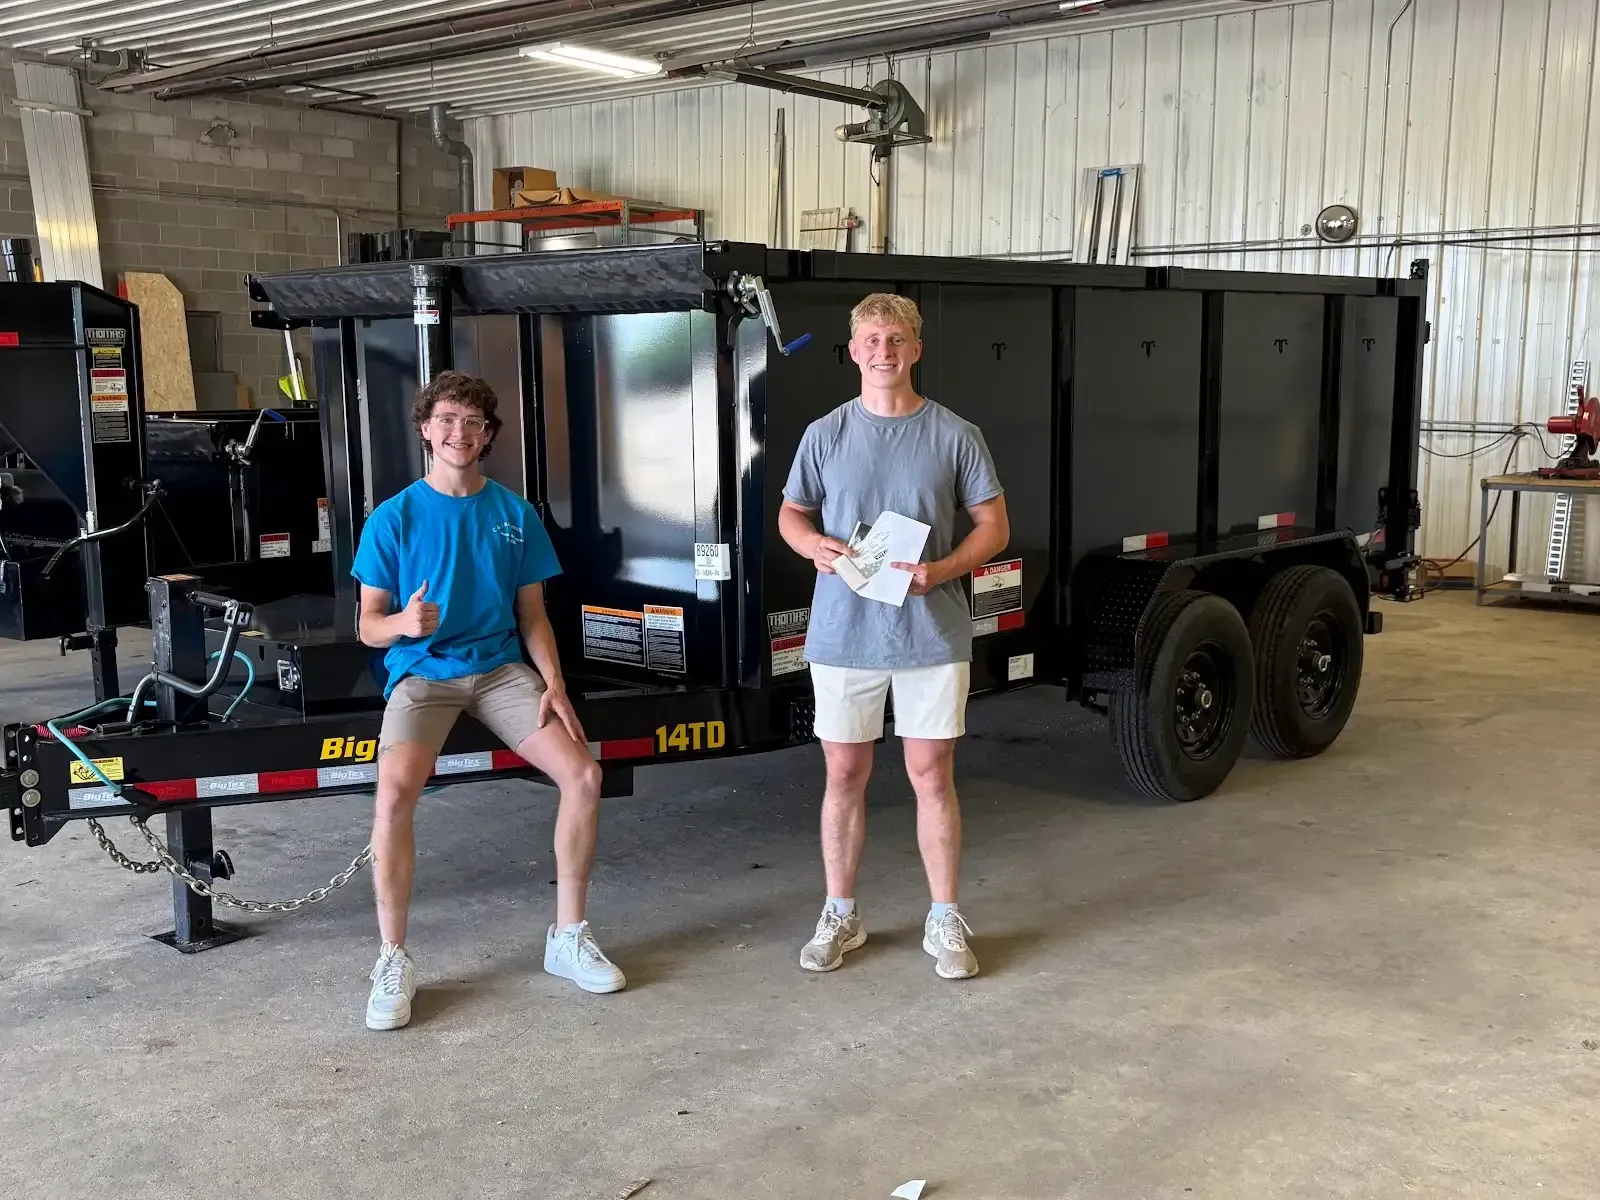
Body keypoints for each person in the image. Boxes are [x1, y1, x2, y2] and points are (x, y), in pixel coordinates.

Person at [352, 370, 625, 1032]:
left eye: (473, 423)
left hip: (500, 671)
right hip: (423, 672)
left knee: (584, 775)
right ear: (425, 429)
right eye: (447, 420)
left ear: (487, 436)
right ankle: (391, 958)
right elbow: (367, 624)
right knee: (392, 795)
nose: (459, 433)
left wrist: (553, 681)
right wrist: (403, 628)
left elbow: (532, 614)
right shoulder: (394, 517)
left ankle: (568, 937)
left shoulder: (513, 513)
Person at [777, 293, 1010, 980]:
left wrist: (938, 570)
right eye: (872, 339)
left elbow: (994, 527)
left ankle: (943, 918)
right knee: (843, 775)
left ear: (916, 349)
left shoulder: (955, 434)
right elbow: (792, 514)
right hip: (843, 632)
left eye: (897, 338)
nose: (884, 350)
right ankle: (841, 914)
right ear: (853, 352)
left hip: (930, 633)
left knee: (930, 774)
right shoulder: (825, 434)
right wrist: (812, 545)